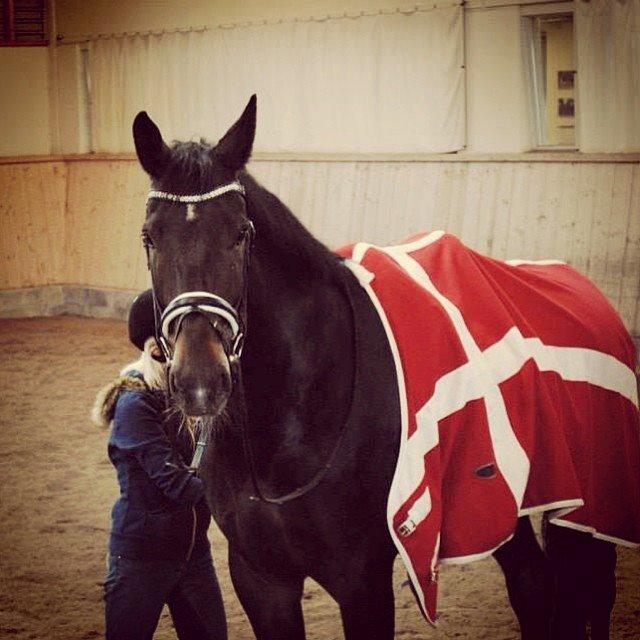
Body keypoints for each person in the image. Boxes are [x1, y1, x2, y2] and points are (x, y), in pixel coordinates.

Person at [92, 289, 227, 640]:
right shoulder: (135, 405)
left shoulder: (188, 395)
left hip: (193, 555)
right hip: (141, 560)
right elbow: (178, 486)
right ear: (156, 347)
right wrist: (236, 494)